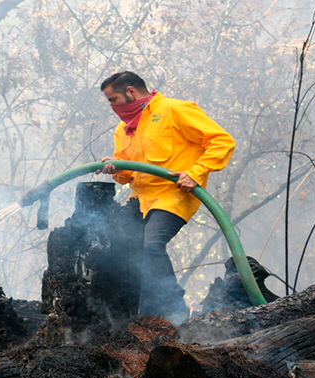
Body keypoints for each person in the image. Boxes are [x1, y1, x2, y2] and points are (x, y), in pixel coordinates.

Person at [95, 71, 235, 323]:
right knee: (117, 246)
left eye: (113, 99)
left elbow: (222, 141)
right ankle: (135, 316)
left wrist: (195, 172)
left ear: (131, 92)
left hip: (174, 195)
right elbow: (127, 173)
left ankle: (173, 312)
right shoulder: (123, 130)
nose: (112, 107)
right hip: (139, 199)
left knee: (152, 245)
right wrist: (115, 167)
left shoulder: (175, 110)